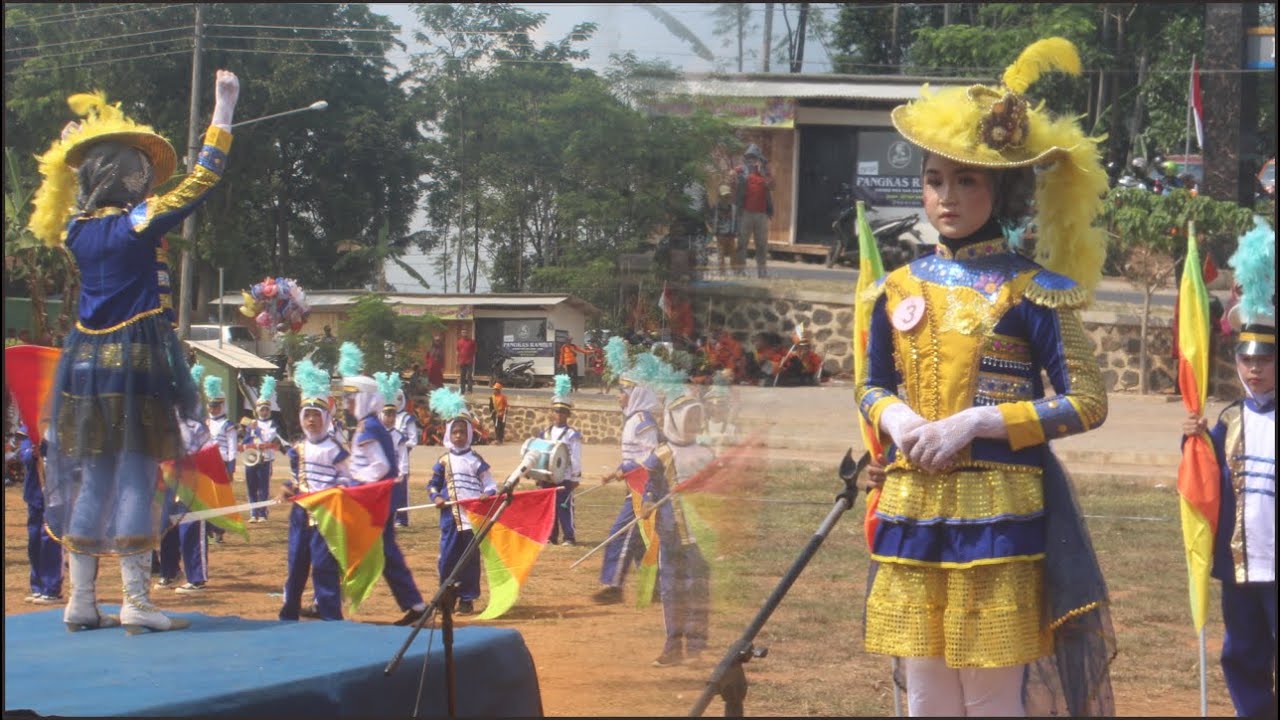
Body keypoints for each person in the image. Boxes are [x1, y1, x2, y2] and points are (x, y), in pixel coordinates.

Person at [858, 38, 1115, 716]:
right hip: (915, 509)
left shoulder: (1035, 290)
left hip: (1001, 515)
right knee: (924, 691)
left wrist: (980, 421)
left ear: (1001, 191)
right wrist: (900, 420)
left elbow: (1088, 402)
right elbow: (871, 383)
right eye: (935, 179)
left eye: (967, 181)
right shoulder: (896, 286)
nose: (947, 197)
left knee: (995, 693)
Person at [31, 69, 239, 634]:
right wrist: (223, 112)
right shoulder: (138, 222)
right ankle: (136, 601)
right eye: (138, 172)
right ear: (123, 179)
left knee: (92, 474)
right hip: (138, 359)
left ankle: (79, 599)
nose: (146, 180)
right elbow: (201, 181)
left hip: (85, 364)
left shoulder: (77, 230)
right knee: (134, 475)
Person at [1181, 221, 1276, 719]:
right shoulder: (1229, 422)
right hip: (1241, 565)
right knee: (1242, 653)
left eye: (1265, 359)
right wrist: (1194, 438)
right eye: (1246, 359)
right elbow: (1205, 477)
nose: (1254, 369)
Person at [339, 342, 429, 626]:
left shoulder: (369, 427)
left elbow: (380, 467)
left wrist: (354, 484)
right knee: (382, 553)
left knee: (351, 548)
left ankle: (326, 600)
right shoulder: (371, 426)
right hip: (374, 501)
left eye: (352, 398)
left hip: (373, 501)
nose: (347, 403)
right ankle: (415, 605)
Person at [278, 359, 350, 622]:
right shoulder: (298, 449)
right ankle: (289, 613)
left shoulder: (336, 449)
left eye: (316, 415)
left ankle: (330, 615)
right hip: (300, 516)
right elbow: (296, 478)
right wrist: (287, 488)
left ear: (326, 418)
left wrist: (335, 493)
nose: (311, 420)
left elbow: (346, 481)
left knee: (323, 566)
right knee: (296, 565)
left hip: (326, 518)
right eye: (307, 415)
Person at [647, 392, 713, 667]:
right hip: (671, 534)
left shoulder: (707, 454)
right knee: (672, 590)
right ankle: (673, 646)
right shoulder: (661, 455)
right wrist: (648, 503)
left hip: (703, 537)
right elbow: (650, 487)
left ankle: (696, 649)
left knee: (697, 590)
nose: (691, 422)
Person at [594, 354, 664, 605]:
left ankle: (613, 585)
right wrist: (616, 472)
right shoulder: (632, 420)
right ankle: (654, 588)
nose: (618, 396)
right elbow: (632, 457)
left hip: (643, 491)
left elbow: (652, 459)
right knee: (639, 543)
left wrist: (648, 495)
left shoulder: (643, 422)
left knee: (620, 535)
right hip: (634, 488)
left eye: (622, 392)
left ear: (634, 394)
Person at [427, 388, 498, 615]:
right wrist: (436, 497)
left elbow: (490, 484)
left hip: (472, 520)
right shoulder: (443, 461)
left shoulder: (476, 460)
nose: (459, 436)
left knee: (469, 561)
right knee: (447, 559)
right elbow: (432, 485)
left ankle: (467, 599)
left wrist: (487, 494)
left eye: (462, 431)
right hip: (449, 519)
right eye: (455, 432)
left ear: (469, 433)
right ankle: (446, 597)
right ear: (449, 434)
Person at [157, 364, 214, 594]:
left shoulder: (197, 427)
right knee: (165, 528)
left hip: (192, 483)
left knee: (191, 528)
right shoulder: (164, 424)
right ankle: (169, 572)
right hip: (167, 482)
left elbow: (207, 454)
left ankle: (196, 578)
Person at [535, 375, 584, 546]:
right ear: (552, 412)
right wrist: (538, 475)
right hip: (548, 476)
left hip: (565, 476)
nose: (559, 414)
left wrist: (575, 477)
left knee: (564, 507)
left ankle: (569, 537)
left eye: (563, 411)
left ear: (568, 414)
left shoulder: (572, 435)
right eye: (557, 411)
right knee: (549, 507)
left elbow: (575, 457)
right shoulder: (545, 433)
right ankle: (550, 536)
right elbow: (540, 455)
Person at [19, 424, 64, 605]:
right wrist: (32, 453)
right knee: (34, 539)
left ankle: (52, 588)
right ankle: (37, 586)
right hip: (35, 494)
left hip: (55, 493)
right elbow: (23, 454)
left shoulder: (59, 427)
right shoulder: (29, 427)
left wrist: (46, 448)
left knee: (50, 538)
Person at [732, 143, 774, 279]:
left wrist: (764, 172)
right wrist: (734, 175)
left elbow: (773, 186)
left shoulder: (765, 172)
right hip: (745, 213)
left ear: (759, 159)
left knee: (761, 245)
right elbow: (731, 175)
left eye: (754, 158)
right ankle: (739, 272)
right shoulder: (741, 170)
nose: (752, 160)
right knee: (742, 244)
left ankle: (762, 273)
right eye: (749, 157)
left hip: (762, 214)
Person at [242, 376, 280, 523]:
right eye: (261, 409)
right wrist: (249, 430)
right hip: (251, 459)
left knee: (263, 488)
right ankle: (253, 513)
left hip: (266, 459)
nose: (264, 412)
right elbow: (246, 441)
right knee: (251, 486)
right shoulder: (251, 424)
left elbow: (269, 439)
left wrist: (257, 430)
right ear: (257, 410)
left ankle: (263, 513)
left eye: (266, 410)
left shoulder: (272, 424)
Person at [204, 375, 237, 545]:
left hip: (222, 464)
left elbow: (232, 447)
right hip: (206, 464)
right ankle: (208, 528)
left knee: (220, 498)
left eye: (216, 406)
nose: (213, 408)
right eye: (211, 405)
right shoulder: (205, 422)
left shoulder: (228, 424)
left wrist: (230, 468)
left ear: (222, 406)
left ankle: (219, 531)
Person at [393, 380, 419, 528]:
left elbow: (413, 439)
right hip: (387, 458)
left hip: (402, 457)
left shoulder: (407, 418)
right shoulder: (384, 416)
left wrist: (401, 445)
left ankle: (402, 519)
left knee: (401, 488)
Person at [710, 184, 740, 277]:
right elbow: (711, 219)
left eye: (728, 196)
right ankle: (722, 273)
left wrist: (736, 232)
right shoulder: (715, 208)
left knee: (733, 255)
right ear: (720, 196)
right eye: (724, 196)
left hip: (731, 235)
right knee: (721, 255)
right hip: (720, 235)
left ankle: (735, 272)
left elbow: (736, 221)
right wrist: (714, 230)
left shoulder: (733, 208)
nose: (726, 198)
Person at [456, 327, 477, 395]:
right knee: (462, 376)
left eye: (465, 332)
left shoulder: (471, 341)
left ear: (467, 333)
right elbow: (458, 351)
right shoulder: (459, 341)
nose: (464, 333)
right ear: (461, 333)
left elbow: (474, 351)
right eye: (463, 332)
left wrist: (471, 358)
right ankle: (462, 390)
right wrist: (457, 360)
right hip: (462, 362)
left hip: (469, 361)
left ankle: (469, 390)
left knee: (469, 376)